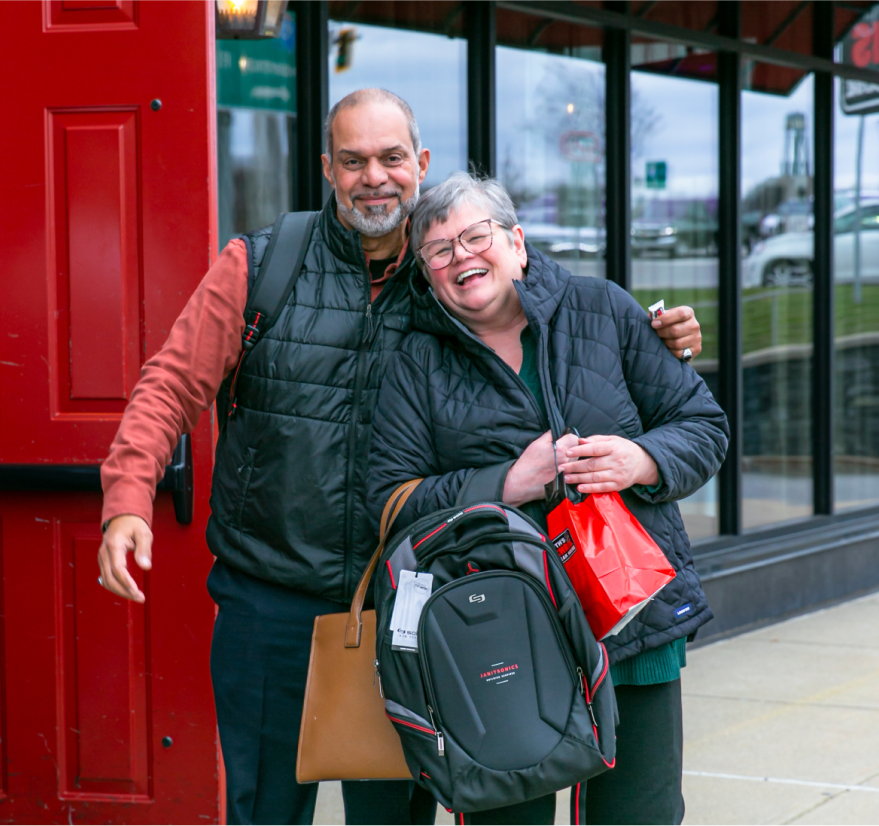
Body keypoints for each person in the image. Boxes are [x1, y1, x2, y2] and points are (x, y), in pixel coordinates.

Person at [97, 89, 706, 826]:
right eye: (352, 161)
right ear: (327, 168)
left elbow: (544, 298)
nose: (373, 177)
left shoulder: (446, 270)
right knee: (263, 808)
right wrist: (129, 497)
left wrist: (652, 334)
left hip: (408, 603)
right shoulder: (263, 264)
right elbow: (171, 384)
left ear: (419, 164)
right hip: (274, 596)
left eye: (390, 158)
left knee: (394, 817)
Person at [367, 172, 729, 825]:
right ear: (425, 272)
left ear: (516, 242)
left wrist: (641, 459)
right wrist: (506, 483)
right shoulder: (414, 362)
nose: (461, 257)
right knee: (509, 817)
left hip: (627, 616)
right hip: (498, 632)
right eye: (439, 250)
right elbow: (388, 501)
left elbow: (702, 426)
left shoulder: (604, 309)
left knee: (639, 814)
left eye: (475, 236)